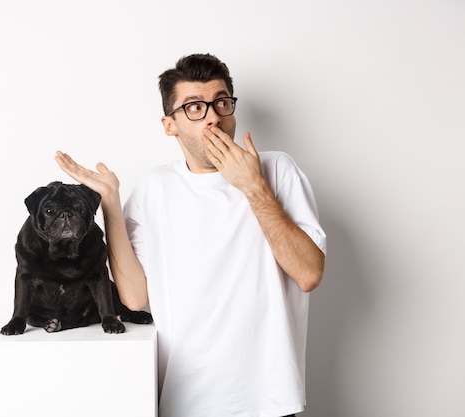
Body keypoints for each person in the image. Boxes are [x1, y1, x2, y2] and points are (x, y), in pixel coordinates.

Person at [55, 53, 326, 417]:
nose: (213, 115)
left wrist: (253, 187)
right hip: (186, 401)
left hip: (269, 401)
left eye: (221, 102)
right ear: (170, 125)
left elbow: (308, 273)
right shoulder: (155, 188)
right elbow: (135, 297)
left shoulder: (276, 169)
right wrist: (110, 204)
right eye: (194, 107)